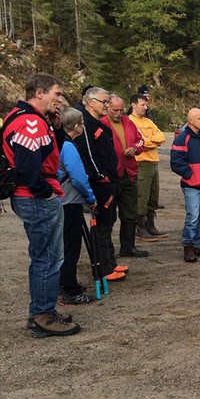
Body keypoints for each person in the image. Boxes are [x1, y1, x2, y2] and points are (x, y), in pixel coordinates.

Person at [2, 73, 81, 337]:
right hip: (35, 197)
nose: (61, 99)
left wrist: (57, 129)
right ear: (39, 92)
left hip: (31, 195)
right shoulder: (31, 123)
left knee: (44, 255)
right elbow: (27, 166)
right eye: (57, 94)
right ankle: (43, 315)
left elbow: (49, 154)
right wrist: (45, 192)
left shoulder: (27, 119)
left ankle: (41, 310)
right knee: (48, 257)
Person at [75, 87, 125, 282]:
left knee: (110, 221)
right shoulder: (85, 124)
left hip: (110, 180)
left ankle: (110, 262)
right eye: (104, 102)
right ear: (90, 102)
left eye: (107, 102)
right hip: (101, 183)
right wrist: (100, 176)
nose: (107, 105)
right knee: (102, 225)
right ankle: (104, 267)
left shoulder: (98, 123)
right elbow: (88, 155)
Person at [58, 106, 97, 305]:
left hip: (59, 201)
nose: (83, 127)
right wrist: (90, 197)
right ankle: (70, 290)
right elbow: (78, 177)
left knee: (61, 246)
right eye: (82, 124)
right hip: (69, 202)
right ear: (75, 126)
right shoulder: (69, 147)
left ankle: (63, 283)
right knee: (71, 246)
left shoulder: (56, 143)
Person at [170, 108, 200, 263]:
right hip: (192, 185)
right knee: (193, 217)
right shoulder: (182, 138)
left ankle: (199, 244)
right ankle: (188, 246)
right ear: (190, 120)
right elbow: (176, 163)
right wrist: (190, 175)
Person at [104, 94, 147, 258]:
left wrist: (135, 148)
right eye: (115, 110)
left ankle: (128, 247)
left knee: (130, 212)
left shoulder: (128, 122)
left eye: (121, 110)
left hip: (129, 173)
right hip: (112, 175)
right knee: (109, 215)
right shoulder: (101, 124)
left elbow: (140, 140)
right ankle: (107, 250)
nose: (119, 113)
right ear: (107, 107)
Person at [129, 93, 168, 241]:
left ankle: (151, 225)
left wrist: (149, 141)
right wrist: (152, 142)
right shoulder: (130, 122)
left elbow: (162, 137)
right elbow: (139, 142)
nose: (145, 107)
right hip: (141, 163)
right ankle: (140, 228)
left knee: (153, 196)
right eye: (142, 105)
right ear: (133, 105)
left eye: (146, 105)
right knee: (142, 196)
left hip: (153, 162)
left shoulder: (148, 121)